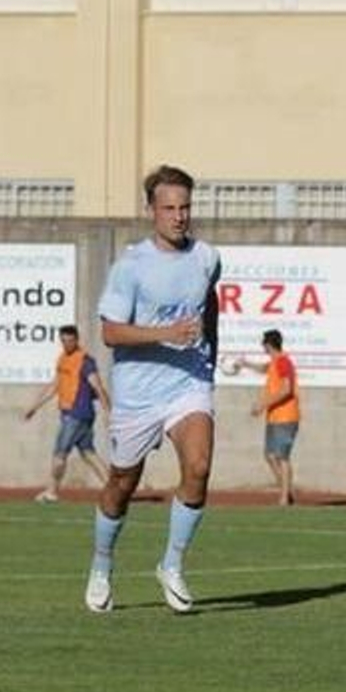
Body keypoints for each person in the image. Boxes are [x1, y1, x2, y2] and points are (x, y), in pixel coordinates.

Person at [83, 164, 222, 614]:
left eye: (185, 207)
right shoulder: (131, 267)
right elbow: (110, 333)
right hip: (138, 393)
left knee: (198, 467)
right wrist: (163, 333)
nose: (179, 216)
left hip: (188, 384)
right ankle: (102, 566)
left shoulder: (207, 256)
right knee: (122, 483)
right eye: (169, 208)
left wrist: (210, 358)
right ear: (151, 211)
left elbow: (210, 305)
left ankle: (172, 564)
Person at [22, 324, 111, 502]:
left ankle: (52, 492)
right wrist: (35, 406)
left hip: (76, 414)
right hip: (72, 414)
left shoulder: (85, 361)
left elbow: (98, 387)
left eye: (70, 340)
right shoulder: (63, 359)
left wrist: (108, 413)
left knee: (59, 454)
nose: (67, 344)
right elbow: (55, 385)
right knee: (88, 453)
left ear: (77, 340)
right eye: (63, 341)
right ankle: (113, 489)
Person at [232, 329, 300, 506]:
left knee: (282, 456)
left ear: (268, 345)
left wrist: (263, 404)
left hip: (286, 416)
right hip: (275, 417)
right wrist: (245, 364)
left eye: (263, 344)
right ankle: (287, 490)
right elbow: (263, 368)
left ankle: (284, 498)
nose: (262, 347)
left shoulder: (284, 362)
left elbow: (286, 389)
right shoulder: (275, 362)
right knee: (270, 455)